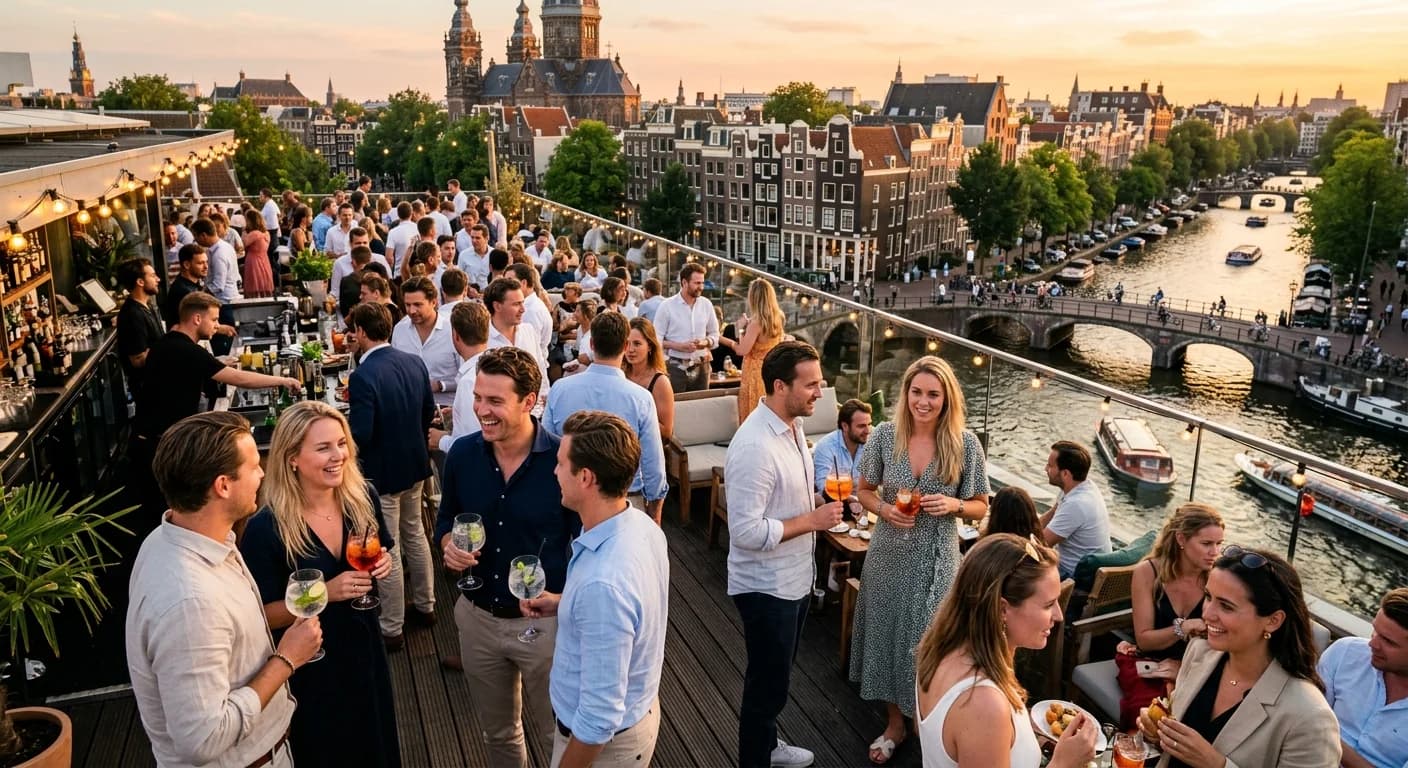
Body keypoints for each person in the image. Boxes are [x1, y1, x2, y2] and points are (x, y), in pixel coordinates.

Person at [126, 411, 322, 768]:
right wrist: (287, 659)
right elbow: (203, 739)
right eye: (252, 466)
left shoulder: (169, 538)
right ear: (223, 485)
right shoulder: (190, 601)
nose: (262, 473)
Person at [435, 347, 581, 768]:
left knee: (558, 733)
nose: (481, 410)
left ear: (529, 401)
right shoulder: (462, 455)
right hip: (477, 620)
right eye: (478, 398)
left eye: (495, 401)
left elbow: (585, 546)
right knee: (498, 733)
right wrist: (447, 545)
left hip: (544, 626)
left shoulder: (561, 461)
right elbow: (445, 520)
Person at [239, 402, 400, 767]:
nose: (338, 456)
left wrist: (385, 562)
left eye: (341, 443)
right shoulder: (267, 528)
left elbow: (382, 549)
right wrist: (326, 592)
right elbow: (260, 617)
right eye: (323, 447)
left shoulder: (362, 499)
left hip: (366, 649)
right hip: (311, 670)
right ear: (292, 457)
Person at [851, 355, 991, 764]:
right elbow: (864, 489)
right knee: (888, 637)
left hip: (936, 562)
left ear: (947, 397)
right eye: (916, 392)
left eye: (933, 394)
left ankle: (928, 723)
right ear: (906, 394)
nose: (923, 402)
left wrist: (953, 504)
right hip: (887, 556)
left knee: (930, 645)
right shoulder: (883, 435)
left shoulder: (965, 444)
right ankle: (895, 723)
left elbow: (980, 506)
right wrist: (884, 510)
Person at [518, 411, 669, 767]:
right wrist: (563, 602)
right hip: (639, 712)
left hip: (604, 750)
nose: (554, 472)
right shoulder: (640, 525)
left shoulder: (603, 584)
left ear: (585, 477)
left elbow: (599, 717)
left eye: (559, 464)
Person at [724, 341, 846, 768]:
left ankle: (768, 745)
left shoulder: (792, 426)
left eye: (821, 382)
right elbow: (744, 532)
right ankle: (755, 760)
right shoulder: (754, 446)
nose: (821, 390)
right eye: (811, 384)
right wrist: (812, 521)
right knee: (766, 686)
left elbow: (786, 496)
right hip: (766, 588)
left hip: (793, 578)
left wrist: (814, 497)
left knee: (777, 678)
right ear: (780, 385)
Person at [1139, 546, 1342, 768]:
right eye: (1208, 597)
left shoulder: (1309, 717)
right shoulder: (1200, 652)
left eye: (1226, 606)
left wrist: (1216, 764)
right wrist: (1158, 735)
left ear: (1273, 620)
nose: (1206, 614)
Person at [915, 534, 1098, 768]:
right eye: (1048, 604)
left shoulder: (938, 649)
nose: (1059, 616)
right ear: (1002, 609)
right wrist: (1062, 763)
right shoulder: (983, 703)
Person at [345, 303, 437, 650]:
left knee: (390, 547)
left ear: (364, 333)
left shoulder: (363, 376)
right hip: (414, 465)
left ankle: (392, 626)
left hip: (382, 474)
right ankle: (427, 606)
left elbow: (363, 434)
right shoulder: (414, 362)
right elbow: (427, 411)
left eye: (354, 331)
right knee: (415, 534)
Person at [543, 312, 668, 524]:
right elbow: (653, 461)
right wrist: (655, 508)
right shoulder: (640, 398)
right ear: (625, 346)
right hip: (624, 501)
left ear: (591, 344)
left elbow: (547, 447)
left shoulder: (560, 389)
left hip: (572, 498)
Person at [1119, 504, 1225, 728]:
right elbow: (1145, 641)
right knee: (1148, 717)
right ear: (1181, 539)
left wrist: (1184, 669)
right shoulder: (1148, 572)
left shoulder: (1217, 579)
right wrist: (1184, 627)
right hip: (1150, 664)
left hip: (1196, 670)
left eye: (1219, 544)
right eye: (1206, 544)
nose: (1215, 552)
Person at [1318, 587, 1408, 768]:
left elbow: (1311, 722)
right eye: (1375, 631)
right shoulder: (1344, 652)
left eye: (1388, 641)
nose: (1372, 643)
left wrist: (1326, 736)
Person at [1039, 440, 1112, 579]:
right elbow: (1049, 517)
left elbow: (1041, 544)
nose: (1045, 468)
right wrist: (1023, 530)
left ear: (1065, 473)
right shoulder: (1080, 487)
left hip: (1072, 575)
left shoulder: (1076, 504)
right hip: (1072, 565)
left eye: (1050, 465)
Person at [428, 301, 490, 453]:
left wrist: (441, 440)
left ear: (455, 335)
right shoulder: (491, 366)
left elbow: (473, 444)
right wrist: (456, 411)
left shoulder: (470, 381)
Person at [392, 277, 461, 408]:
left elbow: (466, 376)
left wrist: (441, 385)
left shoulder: (452, 331)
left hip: (446, 408)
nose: (412, 311)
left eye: (418, 305)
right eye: (407, 305)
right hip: (410, 407)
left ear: (433, 302)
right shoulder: (400, 330)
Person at [653, 263, 719, 393]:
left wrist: (704, 342)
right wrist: (679, 346)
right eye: (697, 283)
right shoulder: (666, 306)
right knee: (678, 408)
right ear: (684, 282)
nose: (701, 287)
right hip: (674, 367)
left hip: (702, 367)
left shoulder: (706, 305)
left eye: (702, 283)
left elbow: (715, 334)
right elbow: (655, 338)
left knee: (701, 407)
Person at [485, 276, 550, 407]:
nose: (523, 309)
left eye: (522, 302)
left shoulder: (528, 331)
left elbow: (540, 370)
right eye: (516, 304)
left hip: (534, 413)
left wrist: (543, 404)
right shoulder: (482, 339)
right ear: (497, 306)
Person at [727, 279, 786, 423]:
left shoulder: (756, 323)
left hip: (754, 373)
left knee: (753, 412)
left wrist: (740, 329)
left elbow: (742, 350)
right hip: (772, 370)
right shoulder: (778, 317)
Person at [115, 258, 163, 397]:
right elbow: (137, 360)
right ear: (140, 282)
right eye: (153, 276)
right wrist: (167, 347)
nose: (158, 279)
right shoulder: (132, 314)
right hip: (148, 389)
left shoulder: (149, 306)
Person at [623, 317, 675, 441]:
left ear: (650, 346)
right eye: (627, 343)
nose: (630, 350)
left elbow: (667, 432)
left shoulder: (660, 382)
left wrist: (635, 415)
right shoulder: (620, 374)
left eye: (637, 344)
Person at [810, 398, 873, 498]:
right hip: (834, 502)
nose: (868, 430)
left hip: (862, 501)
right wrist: (853, 501)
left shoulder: (870, 444)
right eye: (861, 426)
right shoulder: (826, 446)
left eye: (869, 424)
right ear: (845, 426)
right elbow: (824, 487)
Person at [510, 263, 554, 364]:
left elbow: (530, 350)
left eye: (510, 281)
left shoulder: (530, 310)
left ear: (524, 283)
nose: (505, 286)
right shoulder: (531, 306)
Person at [242, 211, 275, 298]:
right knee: (263, 281)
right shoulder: (266, 234)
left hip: (253, 260)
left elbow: (243, 244)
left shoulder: (254, 234)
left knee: (254, 282)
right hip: (264, 259)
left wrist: (244, 232)